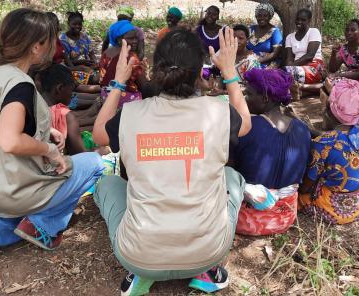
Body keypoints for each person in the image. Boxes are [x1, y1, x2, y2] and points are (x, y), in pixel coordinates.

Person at [91, 28, 251, 295]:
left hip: (138, 255)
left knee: (106, 184)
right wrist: (230, 73)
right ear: (200, 70)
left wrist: (119, 82)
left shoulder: (131, 114)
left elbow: (98, 133)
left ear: (155, 70)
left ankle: (141, 274)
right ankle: (207, 272)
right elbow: (245, 122)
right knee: (232, 178)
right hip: (208, 252)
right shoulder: (219, 112)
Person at [0, 8, 104, 263]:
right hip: (15, 188)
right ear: (37, 46)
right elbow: (11, 140)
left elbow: (0, 122)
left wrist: (47, 131)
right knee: (93, 164)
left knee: (46, 181)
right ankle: (43, 225)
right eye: (50, 41)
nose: (53, 46)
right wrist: (48, 149)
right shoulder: (20, 84)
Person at [233, 68, 310, 236]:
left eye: (249, 94)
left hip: (247, 219)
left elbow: (230, 168)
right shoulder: (303, 129)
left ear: (265, 98)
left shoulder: (248, 128)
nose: (246, 99)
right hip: (285, 216)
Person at [299, 78, 359, 225]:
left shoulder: (323, 143)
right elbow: (338, 140)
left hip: (332, 209)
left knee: (295, 196)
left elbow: (307, 185)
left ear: (329, 111)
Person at [35, 64, 87, 155]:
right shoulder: (66, 115)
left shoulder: (32, 106)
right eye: (71, 90)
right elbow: (81, 154)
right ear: (60, 89)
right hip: (56, 166)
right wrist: (99, 150)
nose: (72, 95)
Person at [100, 19, 146, 108]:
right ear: (119, 39)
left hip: (105, 95)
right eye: (131, 38)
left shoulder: (106, 52)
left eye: (136, 37)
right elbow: (143, 86)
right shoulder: (132, 58)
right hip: (124, 99)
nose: (135, 41)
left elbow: (102, 79)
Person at [328, 19, 359, 86]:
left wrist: (337, 75)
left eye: (353, 30)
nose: (349, 32)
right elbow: (332, 69)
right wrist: (333, 53)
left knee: (330, 84)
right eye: (347, 30)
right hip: (350, 80)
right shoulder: (344, 49)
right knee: (328, 82)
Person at [284, 8, 324, 86]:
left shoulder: (313, 32)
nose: (299, 22)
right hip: (296, 67)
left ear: (309, 21)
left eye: (303, 20)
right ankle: (306, 89)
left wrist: (291, 66)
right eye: (298, 19)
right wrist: (288, 66)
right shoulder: (290, 37)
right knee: (283, 74)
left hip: (313, 66)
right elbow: (289, 57)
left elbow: (310, 55)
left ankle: (311, 87)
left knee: (286, 75)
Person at [60, 12, 98, 85]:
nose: (77, 26)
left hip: (87, 66)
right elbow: (66, 62)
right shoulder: (63, 39)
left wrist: (95, 63)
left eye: (79, 24)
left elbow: (91, 53)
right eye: (74, 24)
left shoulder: (84, 36)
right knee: (95, 80)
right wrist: (81, 63)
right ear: (68, 23)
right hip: (73, 69)